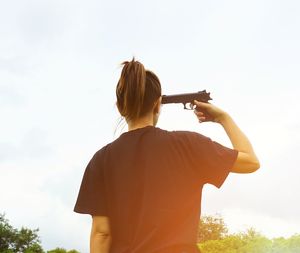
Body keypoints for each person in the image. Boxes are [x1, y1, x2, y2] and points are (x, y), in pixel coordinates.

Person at [73, 58, 260, 253]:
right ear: (158, 104)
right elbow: (251, 161)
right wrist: (223, 118)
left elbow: (101, 233)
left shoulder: (100, 160)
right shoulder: (188, 145)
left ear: (120, 108)